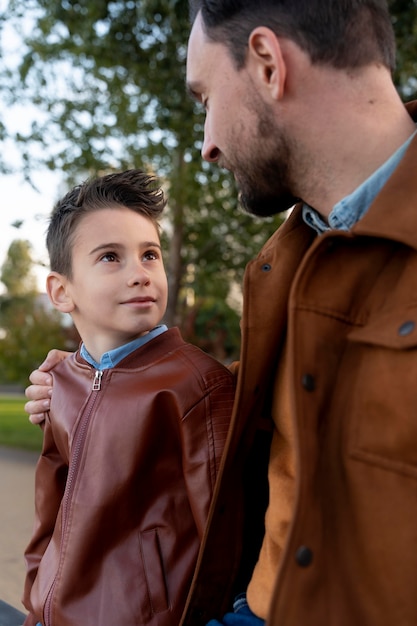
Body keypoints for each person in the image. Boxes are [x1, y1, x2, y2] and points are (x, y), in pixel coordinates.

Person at [24, 0, 417, 625]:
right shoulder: (285, 264)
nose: (206, 145)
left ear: (266, 64)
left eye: (205, 99)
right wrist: (89, 380)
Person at [21, 168, 235, 626]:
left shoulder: (198, 386)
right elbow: (49, 512)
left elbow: (228, 541)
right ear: (61, 291)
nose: (140, 274)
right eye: (110, 257)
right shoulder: (61, 382)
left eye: (150, 255)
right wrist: (37, 597)